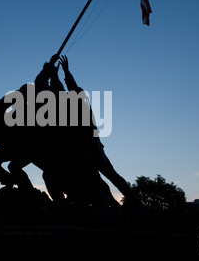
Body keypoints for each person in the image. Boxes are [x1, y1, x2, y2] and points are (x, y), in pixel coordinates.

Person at [59, 55, 141, 209]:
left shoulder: (79, 109)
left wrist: (59, 74)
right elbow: (71, 88)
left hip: (89, 148)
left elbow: (70, 89)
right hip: (94, 147)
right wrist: (63, 72)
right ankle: (130, 199)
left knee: (81, 170)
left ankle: (103, 197)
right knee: (111, 175)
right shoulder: (81, 105)